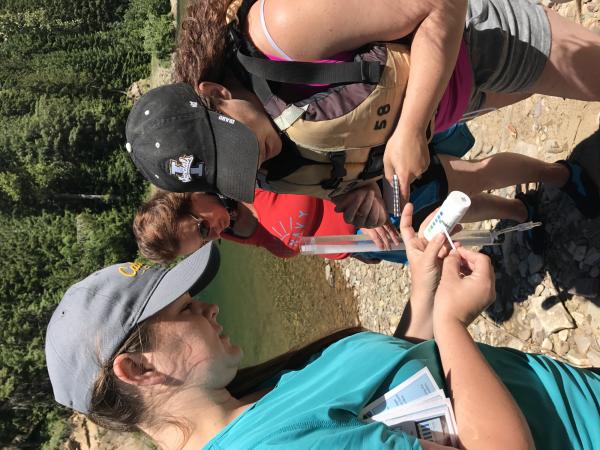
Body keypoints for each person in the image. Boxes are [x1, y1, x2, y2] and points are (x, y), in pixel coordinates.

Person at [46, 209, 600, 450]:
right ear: (137, 368)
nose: (209, 309)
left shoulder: (247, 405)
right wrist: (453, 324)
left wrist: (425, 289)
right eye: (186, 310)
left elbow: (402, 386)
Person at [125, 0, 600, 223]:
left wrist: (410, 129)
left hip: (479, 43)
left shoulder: (280, 30)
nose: (251, 162)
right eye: (231, 171)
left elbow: (442, 4)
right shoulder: (261, 168)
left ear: (214, 93)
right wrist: (365, 188)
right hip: (459, 100)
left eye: (235, 146)